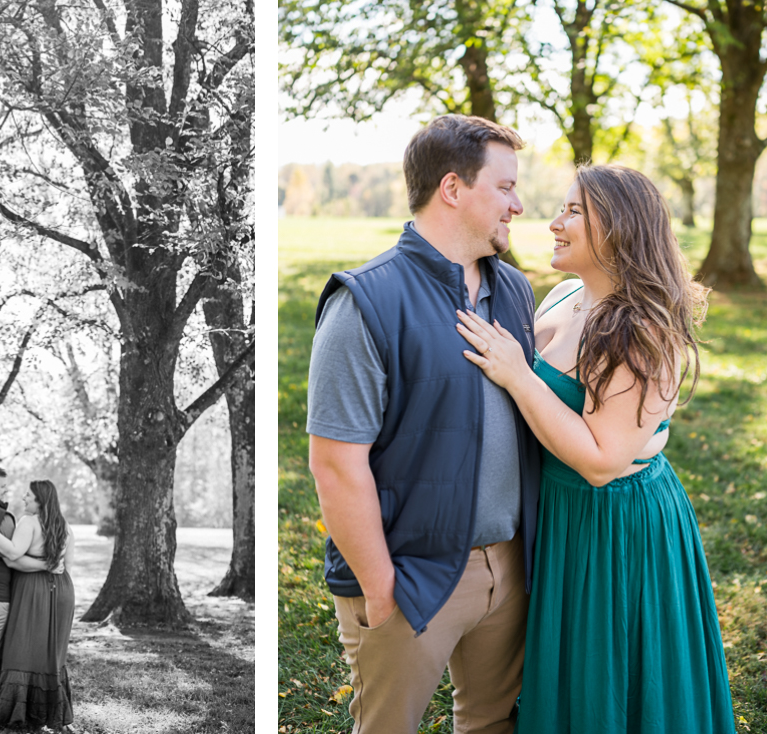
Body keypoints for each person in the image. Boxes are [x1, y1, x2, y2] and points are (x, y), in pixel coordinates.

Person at [455, 164, 734, 733]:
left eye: (574, 211)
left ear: (621, 225)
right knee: (570, 678)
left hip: (615, 525)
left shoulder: (642, 330)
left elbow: (604, 462)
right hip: (559, 510)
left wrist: (519, 376)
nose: (554, 223)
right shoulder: (564, 295)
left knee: (610, 680)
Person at [306, 114, 541, 734]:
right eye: (505, 187)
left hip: (509, 566)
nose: (518, 205)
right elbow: (334, 462)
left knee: (493, 726)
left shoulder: (514, 290)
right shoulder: (365, 301)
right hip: (409, 577)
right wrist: (382, 590)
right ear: (454, 189)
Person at [0, 479, 76, 730]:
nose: (24, 499)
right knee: (51, 653)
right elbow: (68, 567)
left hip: (32, 590)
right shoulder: (65, 526)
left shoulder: (28, 522)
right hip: (63, 590)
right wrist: (50, 569)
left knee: (22, 647)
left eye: (28, 496)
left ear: (40, 500)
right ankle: (48, 714)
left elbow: (11, 555)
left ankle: (19, 711)